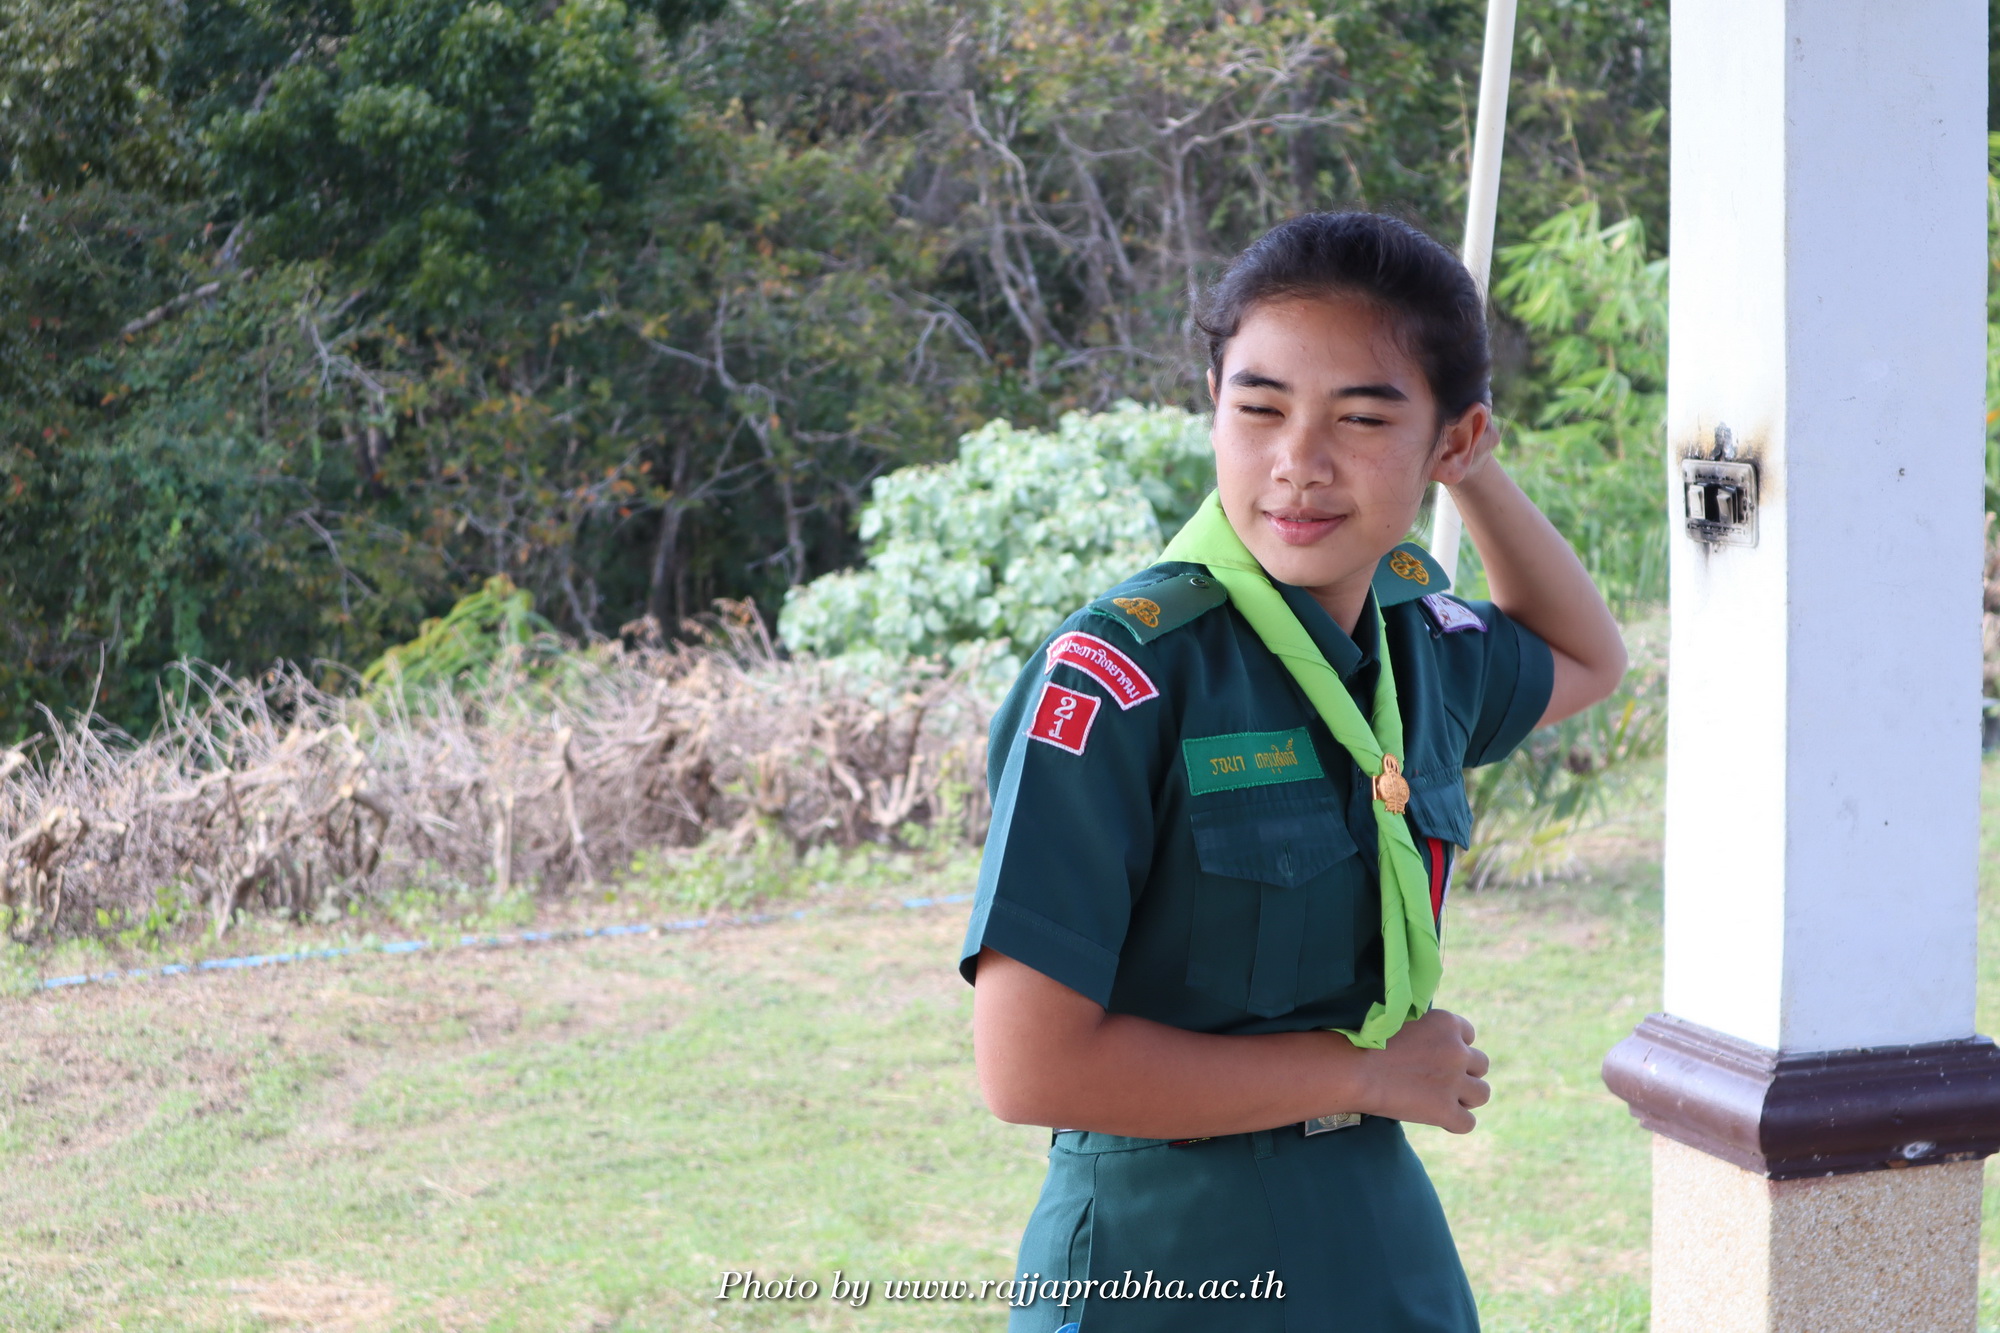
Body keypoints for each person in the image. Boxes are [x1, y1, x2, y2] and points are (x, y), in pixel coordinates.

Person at [956, 211, 1627, 1333]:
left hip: (1372, 1227)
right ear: (1212, 402)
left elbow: (1586, 656)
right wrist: (1359, 1073)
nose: (1296, 465)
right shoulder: (1122, 675)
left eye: (1362, 418)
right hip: (1161, 1253)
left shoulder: (1416, 643)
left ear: (1451, 440)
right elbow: (1028, 1069)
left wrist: (1472, 473)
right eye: (1257, 407)